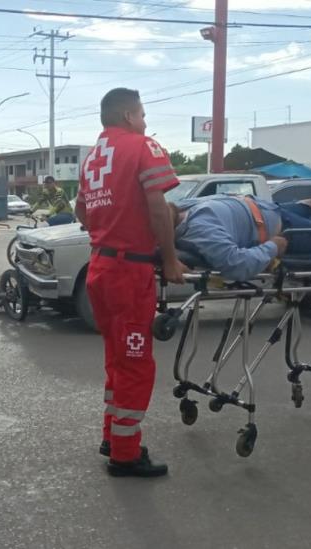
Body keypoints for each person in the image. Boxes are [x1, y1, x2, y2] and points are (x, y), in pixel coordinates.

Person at [75, 87, 188, 478]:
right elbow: (157, 205)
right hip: (128, 274)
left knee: (117, 360)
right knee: (136, 363)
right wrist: (170, 258)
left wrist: (110, 231)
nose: (145, 121)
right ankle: (124, 453)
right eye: (141, 114)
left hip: (100, 269)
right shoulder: (143, 147)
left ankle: (112, 436)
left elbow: (81, 211)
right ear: (127, 116)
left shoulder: (92, 158)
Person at [170, 195, 311, 281]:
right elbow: (237, 264)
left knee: (310, 204)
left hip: (273, 209)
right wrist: (272, 248)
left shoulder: (184, 206)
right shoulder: (200, 231)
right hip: (283, 231)